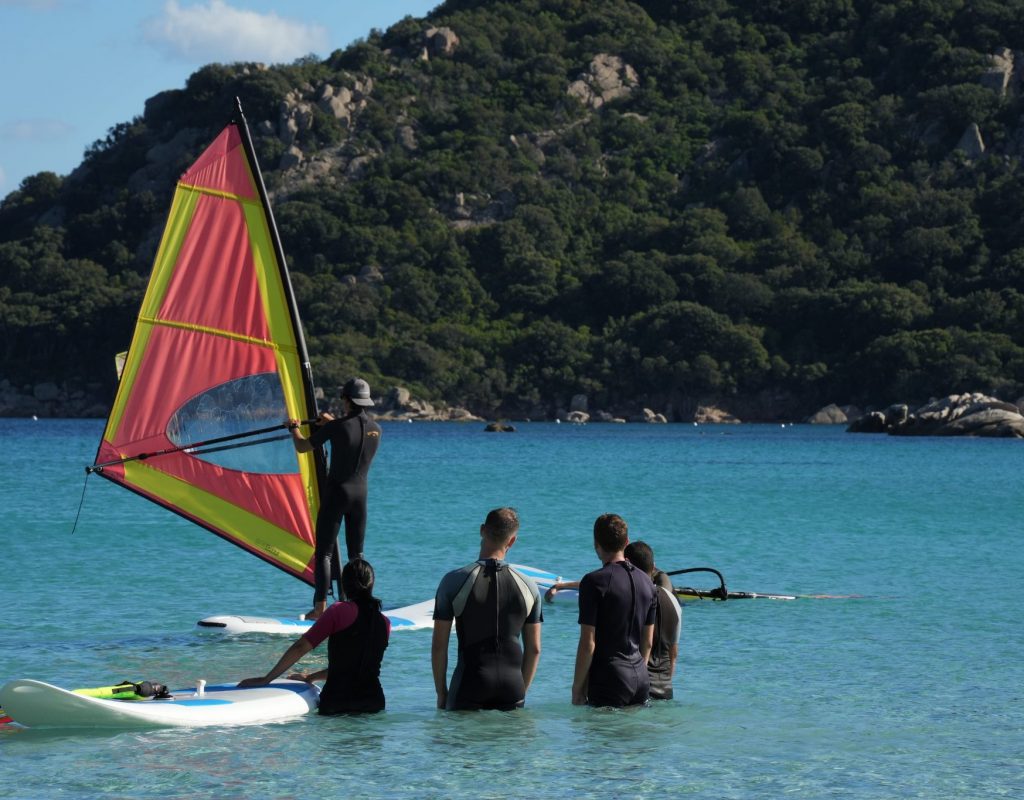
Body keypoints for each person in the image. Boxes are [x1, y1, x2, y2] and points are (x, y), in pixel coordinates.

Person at [238, 558, 390, 714]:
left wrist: (266, 679)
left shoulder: (339, 611)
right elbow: (355, 667)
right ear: (371, 585)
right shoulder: (385, 623)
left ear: (344, 585)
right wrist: (310, 677)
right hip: (374, 702)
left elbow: (300, 647)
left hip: (338, 702)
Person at [431, 508, 543, 711]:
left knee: (459, 743)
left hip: (470, 684)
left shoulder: (453, 581)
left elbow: (439, 646)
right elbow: (534, 649)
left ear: (482, 530)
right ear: (512, 541)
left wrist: (442, 693)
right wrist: (520, 690)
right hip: (512, 686)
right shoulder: (529, 586)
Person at [290, 377, 382, 620]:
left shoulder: (336, 427)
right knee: (357, 556)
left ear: (346, 399)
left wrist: (294, 428)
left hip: (337, 493)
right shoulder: (376, 429)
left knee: (325, 553)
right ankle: (360, 605)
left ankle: (320, 608)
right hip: (361, 495)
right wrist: (333, 424)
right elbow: (351, 434)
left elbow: (302, 447)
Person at [571, 513, 657, 707]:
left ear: (596, 543)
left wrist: (577, 688)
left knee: (603, 736)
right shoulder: (648, 583)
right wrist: (638, 673)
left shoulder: (594, 582)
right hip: (641, 678)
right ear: (626, 542)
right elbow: (648, 642)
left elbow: (588, 643)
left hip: (609, 678)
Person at [624, 540, 682, 700]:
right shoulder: (673, 601)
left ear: (628, 565)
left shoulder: (634, 598)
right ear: (653, 566)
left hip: (638, 687)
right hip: (666, 689)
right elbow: (674, 654)